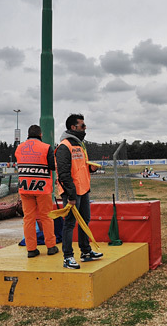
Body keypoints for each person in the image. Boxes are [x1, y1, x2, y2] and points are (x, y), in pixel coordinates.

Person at [56, 113, 102, 270]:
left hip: (84, 190)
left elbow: (81, 167)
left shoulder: (80, 145)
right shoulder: (64, 146)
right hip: (72, 193)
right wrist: (70, 195)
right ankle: (68, 257)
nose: (85, 128)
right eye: (82, 126)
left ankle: (86, 252)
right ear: (73, 127)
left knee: (85, 221)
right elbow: (63, 173)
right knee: (69, 224)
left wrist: (91, 169)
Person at [14, 125, 59, 258]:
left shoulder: (19, 148)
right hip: (42, 187)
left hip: (25, 187)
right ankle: (51, 246)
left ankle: (31, 249)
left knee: (28, 219)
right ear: (40, 134)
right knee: (46, 217)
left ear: (28, 135)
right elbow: (52, 166)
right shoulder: (46, 147)